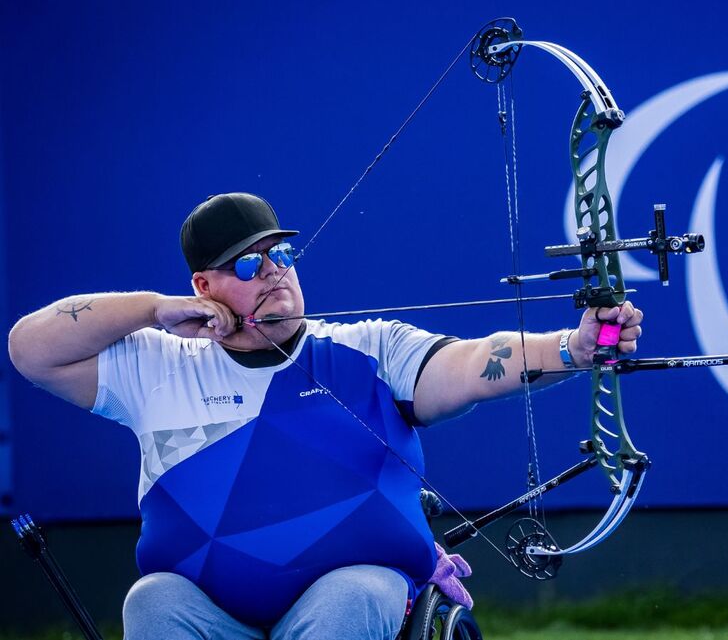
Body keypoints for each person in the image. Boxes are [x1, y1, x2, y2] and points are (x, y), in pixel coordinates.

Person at [7, 192, 643, 640]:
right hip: (208, 610)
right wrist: (153, 310)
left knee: (352, 597)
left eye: (282, 255)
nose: (275, 274)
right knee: (151, 602)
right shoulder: (157, 364)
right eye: (250, 265)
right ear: (204, 287)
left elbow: (476, 363)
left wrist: (574, 347)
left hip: (348, 598)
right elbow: (29, 348)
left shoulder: (369, 350)